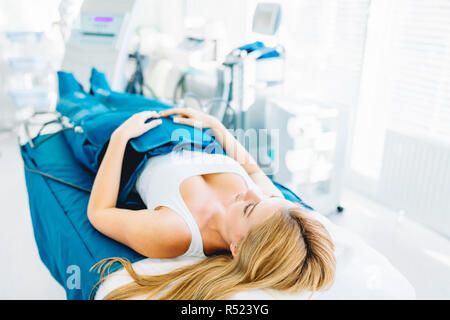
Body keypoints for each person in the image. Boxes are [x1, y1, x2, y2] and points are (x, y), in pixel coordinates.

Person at [87, 107, 336, 300]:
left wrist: (119, 137)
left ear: (236, 248)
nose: (252, 192)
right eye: (266, 197)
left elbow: (100, 212)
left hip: (139, 141)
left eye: (249, 208)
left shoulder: (175, 232)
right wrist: (215, 126)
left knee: (80, 103)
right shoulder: (273, 210)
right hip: (192, 129)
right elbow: (252, 169)